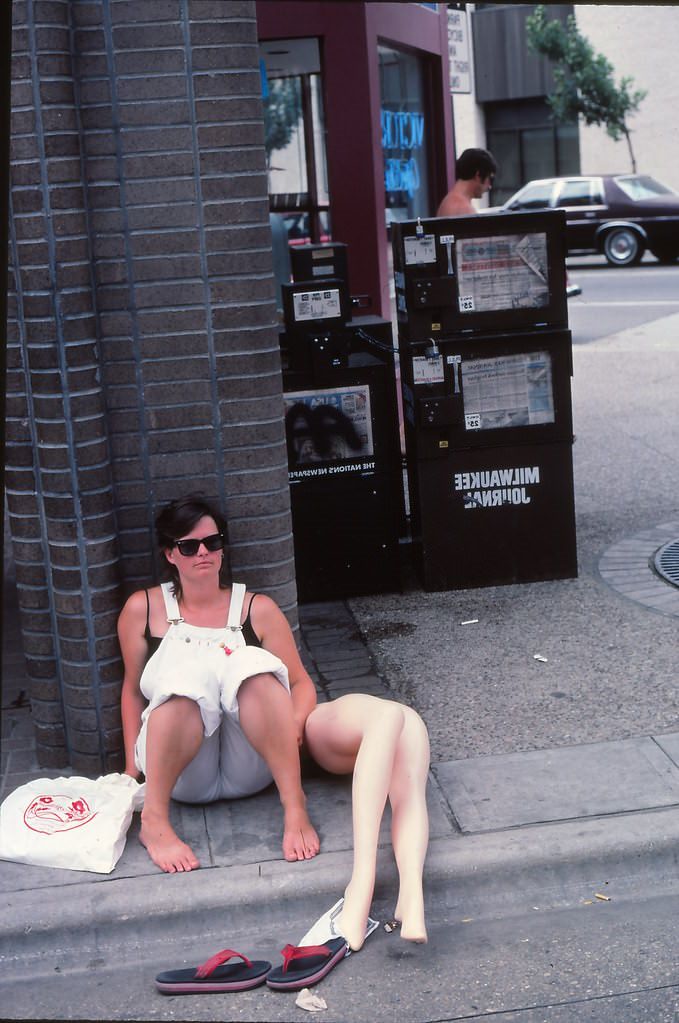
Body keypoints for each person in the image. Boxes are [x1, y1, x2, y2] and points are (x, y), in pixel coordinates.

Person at [118, 495, 320, 873]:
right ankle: (156, 822)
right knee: (185, 676)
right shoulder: (142, 609)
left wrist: (293, 725)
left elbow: (301, 683)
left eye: (212, 542)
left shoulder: (256, 609)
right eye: (189, 546)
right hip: (181, 773)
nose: (203, 553)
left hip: (252, 765)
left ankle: (295, 807)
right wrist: (132, 769)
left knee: (252, 665)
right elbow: (132, 690)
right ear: (170, 555)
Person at [304, 694, 430, 951]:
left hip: (308, 722)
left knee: (397, 718)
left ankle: (362, 887)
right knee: (397, 717)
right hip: (323, 725)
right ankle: (412, 892)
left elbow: (299, 687)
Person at [436, 147, 497, 217]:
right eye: (490, 179)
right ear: (478, 175)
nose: (490, 186)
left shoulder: (448, 201)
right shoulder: (464, 209)